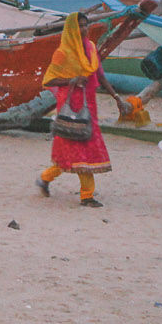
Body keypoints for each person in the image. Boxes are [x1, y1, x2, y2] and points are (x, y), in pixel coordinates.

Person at [35, 12, 114, 207]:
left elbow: (100, 75)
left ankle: (46, 177)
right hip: (70, 104)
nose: (84, 29)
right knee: (73, 147)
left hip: (89, 104)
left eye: (86, 25)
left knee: (82, 148)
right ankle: (86, 195)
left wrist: (117, 97)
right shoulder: (63, 52)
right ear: (71, 28)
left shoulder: (92, 48)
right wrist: (72, 80)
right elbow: (49, 80)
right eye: (79, 26)